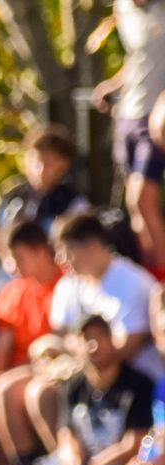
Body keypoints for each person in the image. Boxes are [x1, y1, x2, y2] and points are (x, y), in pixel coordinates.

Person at [48, 315, 156, 465]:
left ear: (113, 340)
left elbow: (134, 444)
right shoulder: (72, 385)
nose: (93, 346)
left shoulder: (138, 384)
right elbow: (67, 433)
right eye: (87, 339)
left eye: (100, 338)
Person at [0, 221, 67, 465]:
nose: (11, 266)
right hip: (23, 366)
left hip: (52, 363)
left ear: (41, 251)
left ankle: (28, 463)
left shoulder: (66, 282)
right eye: (7, 258)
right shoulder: (13, 292)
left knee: (7, 390)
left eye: (18, 257)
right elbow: (2, 346)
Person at [49, 211, 164, 381]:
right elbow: (59, 333)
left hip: (136, 383)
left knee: (43, 393)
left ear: (92, 248)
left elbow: (125, 348)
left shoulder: (132, 282)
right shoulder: (70, 284)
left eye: (67, 251)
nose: (61, 260)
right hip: (88, 376)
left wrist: (76, 352)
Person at [94, 0, 165, 270]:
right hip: (128, 113)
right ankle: (151, 273)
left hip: (154, 118)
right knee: (133, 208)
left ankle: (162, 277)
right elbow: (138, 57)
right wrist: (114, 84)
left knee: (142, 201)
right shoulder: (122, 8)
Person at [0, 125, 88, 289]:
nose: (39, 169)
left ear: (63, 164)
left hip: (55, 285)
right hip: (10, 282)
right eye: (35, 161)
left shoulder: (74, 204)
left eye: (47, 163)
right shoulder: (13, 198)